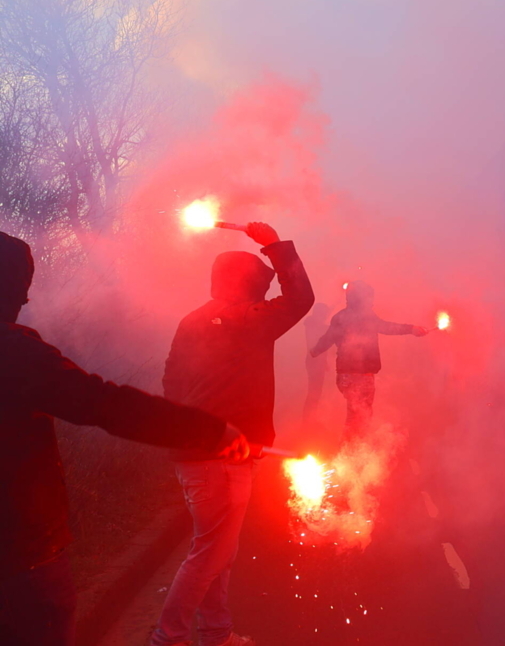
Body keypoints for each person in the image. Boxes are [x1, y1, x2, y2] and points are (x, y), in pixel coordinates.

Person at [0, 231, 249, 646]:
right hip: (20, 559)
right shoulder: (13, 352)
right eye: (22, 290)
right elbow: (103, 404)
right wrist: (207, 430)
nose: (25, 303)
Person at [151, 222, 314, 646]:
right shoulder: (248, 318)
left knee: (218, 553)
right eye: (260, 284)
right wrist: (276, 245)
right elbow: (302, 300)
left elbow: (171, 380)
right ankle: (167, 639)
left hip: (194, 456)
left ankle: (217, 633)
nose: (265, 292)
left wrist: (188, 428)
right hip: (223, 460)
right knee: (210, 555)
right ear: (248, 286)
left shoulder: (192, 321)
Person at [310, 280, 427, 440]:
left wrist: (315, 351)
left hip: (344, 376)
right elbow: (388, 327)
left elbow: (327, 339)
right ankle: (352, 455)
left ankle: (352, 453)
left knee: (355, 416)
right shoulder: (365, 317)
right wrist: (411, 329)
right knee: (360, 419)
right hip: (360, 376)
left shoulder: (340, 317)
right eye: (369, 298)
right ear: (361, 298)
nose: (372, 302)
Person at [302, 303, 332, 423]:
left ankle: (310, 418)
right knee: (314, 392)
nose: (325, 316)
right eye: (324, 313)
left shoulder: (316, 325)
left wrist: (324, 362)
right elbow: (314, 343)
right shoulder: (313, 324)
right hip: (314, 361)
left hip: (317, 361)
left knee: (316, 392)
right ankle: (308, 420)